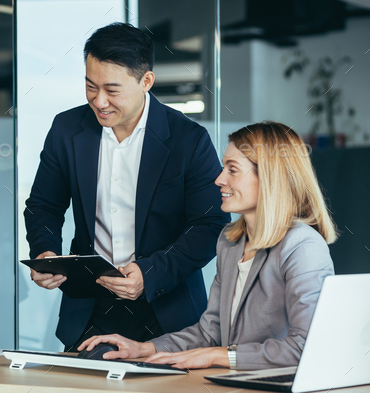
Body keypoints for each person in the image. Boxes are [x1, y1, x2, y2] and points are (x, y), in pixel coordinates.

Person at [24, 22, 230, 350]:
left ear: (146, 81)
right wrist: (45, 252)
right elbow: (44, 206)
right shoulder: (66, 129)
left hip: (169, 313)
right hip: (90, 309)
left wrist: (150, 274)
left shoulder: (189, 140)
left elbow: (210, 225)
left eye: (112, 89)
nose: (99, 101)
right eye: (91, 86)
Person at [79, 121, 338, 370]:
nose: (219, 179)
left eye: (232, 169)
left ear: (270, 177)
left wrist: (218, 355)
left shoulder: (302, 246)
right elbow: (209, 331)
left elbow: (306, 347)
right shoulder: (230, 241)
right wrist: (146, 348)